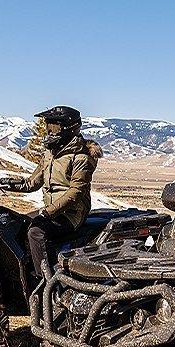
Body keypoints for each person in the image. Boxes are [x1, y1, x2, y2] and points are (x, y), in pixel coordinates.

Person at [7, 105, 103, 278]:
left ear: (69, 128)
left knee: (36, 232)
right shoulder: (50, 153)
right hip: (52, 210)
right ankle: (25, 271)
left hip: (71, 214)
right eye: (48, 126)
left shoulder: (81, 157)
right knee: (16, 224)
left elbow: (76, 192)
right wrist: (3, 184)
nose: (50, 131)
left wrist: (48, 213)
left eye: (54, 127)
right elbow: (31, 183)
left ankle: (45, 280)